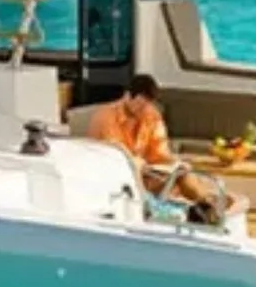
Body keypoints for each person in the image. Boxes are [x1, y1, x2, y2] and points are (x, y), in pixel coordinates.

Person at [87, 74, 231, 225]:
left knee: (183, 172)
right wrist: (140, 165)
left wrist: (174, 163)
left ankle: (208, 206)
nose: (143, 111)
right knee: (135, 164)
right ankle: (143, 209)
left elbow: (160, 152)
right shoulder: (106, 118)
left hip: (145, 174)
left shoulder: (151, 115)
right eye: (140, 106)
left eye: (147, 106)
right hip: (115, 176)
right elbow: (117, 156)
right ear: (128, 96)